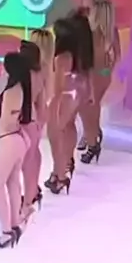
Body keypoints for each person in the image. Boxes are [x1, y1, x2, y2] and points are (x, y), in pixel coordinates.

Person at [45, 16, 92, 194]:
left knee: (55, 135)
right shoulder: (78, 54)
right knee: (69, 126)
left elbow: (57, 88)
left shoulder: (61, 58)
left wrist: (50, 103)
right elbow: (85, 76)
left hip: (64, 96)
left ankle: (59, 175)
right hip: (77, 92)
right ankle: (66, 165)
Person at [0, 52, 32, 248]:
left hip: (10, 140)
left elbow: (6, 123)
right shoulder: (21, 89)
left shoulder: (11, 92)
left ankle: (7, 230)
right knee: (12, 181)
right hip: (18, 140)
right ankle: (14, 223)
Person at [81, 0, 116, 164]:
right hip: (101, 74)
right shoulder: (110, 32)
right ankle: (93, 139)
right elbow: (116, 56)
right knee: (91, 108)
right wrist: (106, 71)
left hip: (94, 74)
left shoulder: (94, 33)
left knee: (89, 108)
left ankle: (92, 143)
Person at [18, 41, 47, 221]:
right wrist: (40, 125)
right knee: (32, 160)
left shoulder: (21, 76)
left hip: (23, 125)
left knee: (25, 165)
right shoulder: (39, 76)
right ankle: (30, 196)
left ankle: (27, 203)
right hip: (34, 124)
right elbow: (42, 106)